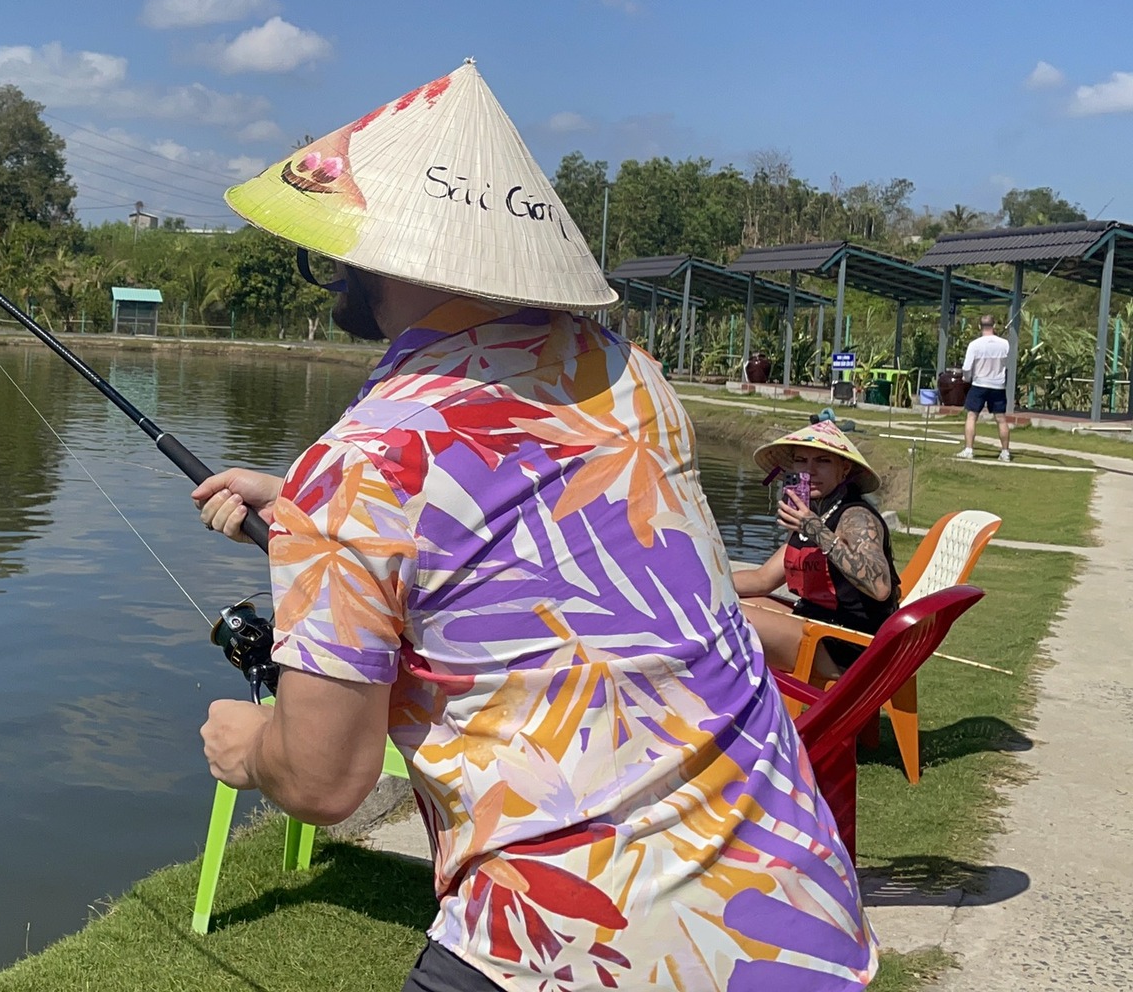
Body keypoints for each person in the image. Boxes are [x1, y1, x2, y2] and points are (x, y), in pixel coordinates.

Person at [191, 62, 874, 991]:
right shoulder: (625, 372)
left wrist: (248, 742)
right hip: (786, 909)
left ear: (387, 251)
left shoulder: (354, 474)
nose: (330, 273)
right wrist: (300, 520)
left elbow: (324, 780)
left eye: (329, 250)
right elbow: (519, 545)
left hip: (572, 938)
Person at [732, 421, 899, 679]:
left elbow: (880, 587)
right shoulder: (813, 513)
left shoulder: (855, 516)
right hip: (817, 625)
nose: (809, 470)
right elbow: (762, 580)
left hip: (850, 644)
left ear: (844, 469)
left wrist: (814, 529)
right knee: (723, 602)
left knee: (729, 618)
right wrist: (702, 584)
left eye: (822, 461)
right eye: (801, 461)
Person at [957, 314, 1011, 461]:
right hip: (998, 385)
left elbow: (967, 367)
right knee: (1001, 419)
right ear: (994, 326)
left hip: (979, 384)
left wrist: (967, 379)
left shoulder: (975, 345)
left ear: (980, 326)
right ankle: (1005, 452)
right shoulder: (1005, 344)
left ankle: (969, 450)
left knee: (972, 416)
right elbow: (1006, 363)